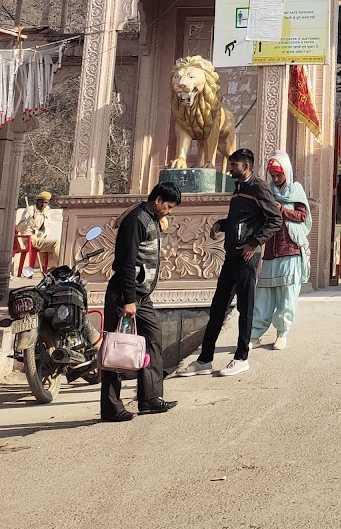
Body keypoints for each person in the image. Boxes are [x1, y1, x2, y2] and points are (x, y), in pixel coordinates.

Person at [181, 148, 283, 378]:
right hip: (231, 257)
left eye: (234, 165)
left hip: (247, 257)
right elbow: (242, 220)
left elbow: (275, 219)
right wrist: (221, 224)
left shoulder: (258, 188)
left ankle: (241, 357)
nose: (229, 169)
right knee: (218, 308)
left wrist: (253, 243)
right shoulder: (238, 190)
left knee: (246, 309)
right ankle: (205, 359)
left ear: (246, 166)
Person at [101, 180, 182, 422]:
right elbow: (126, 262)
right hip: (126, 295)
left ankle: (149, 398)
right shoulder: (136, 220)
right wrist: (129, 299)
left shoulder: (152, 219)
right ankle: (111, 408)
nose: (170, 212)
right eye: (168, 206)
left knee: (153, 339)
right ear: (157, 201)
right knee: (116, 349)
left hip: (141, 296)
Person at [252, 152, 311, 350]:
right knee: (264, 295)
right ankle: (255, 333)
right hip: (271, 250)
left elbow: (303, 216)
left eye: (279, 175)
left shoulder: (296, 190)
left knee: (287, 296)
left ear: (287, 172)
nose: (276, 180)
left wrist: (282, 210)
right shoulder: (268, 191)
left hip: (290, 248)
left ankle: (282, 332)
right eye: (274, 176)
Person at [18, 191, 63, 274]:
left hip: (40, 239)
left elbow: (47, 226)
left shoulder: (47, 210)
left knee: (60, 243)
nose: (43, 205)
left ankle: (57, 266)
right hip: (30, 239)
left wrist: (45, 235)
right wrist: (31, 219)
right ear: (37, 201)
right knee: (56, 243)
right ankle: (59, 267)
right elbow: (20, 228)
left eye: (45, 203)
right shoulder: (31, 210)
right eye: (41, 202)